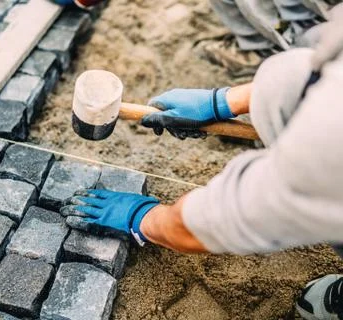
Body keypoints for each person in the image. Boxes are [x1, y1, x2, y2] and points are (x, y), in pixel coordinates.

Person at [60, 5, 343, 320]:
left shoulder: (328, 146)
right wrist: (223, 102)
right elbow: (307, 74)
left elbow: (212, 222)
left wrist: (141, 217)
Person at [201, 0, 341, 76]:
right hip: (297, 24)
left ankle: (266, 50)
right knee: (283, 23)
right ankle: (262, 47)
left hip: (326, 35)